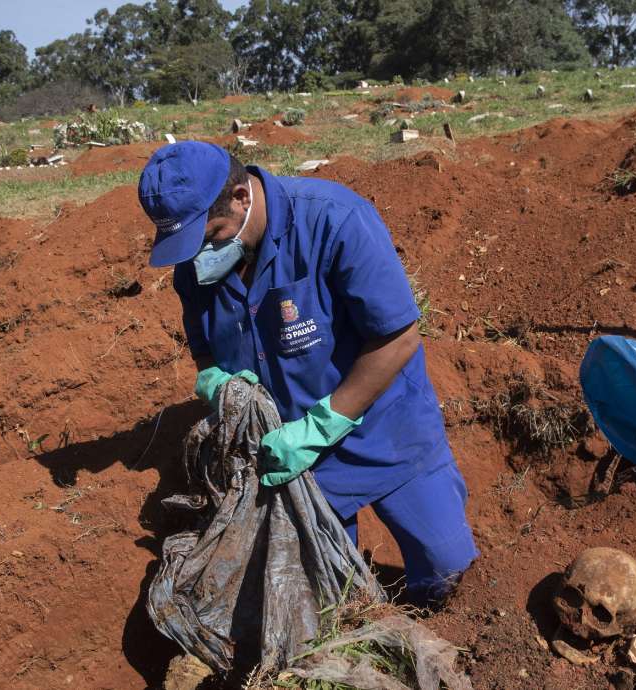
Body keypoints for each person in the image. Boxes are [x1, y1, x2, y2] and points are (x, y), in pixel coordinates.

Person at [138, 141, 477, 604]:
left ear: (242, 196)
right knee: (324, 599)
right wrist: (215, 380)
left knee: (449, 575)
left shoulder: (334, 219)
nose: (202, 250)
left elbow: (398, 338)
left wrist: (322, 426)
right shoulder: (197, 264)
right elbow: (205, 350)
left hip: (385, 432)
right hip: (289, 459)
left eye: (211, 233)